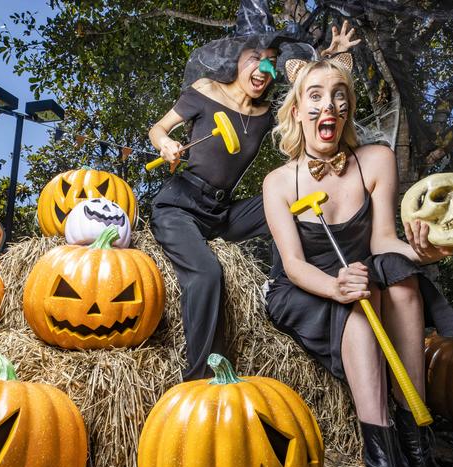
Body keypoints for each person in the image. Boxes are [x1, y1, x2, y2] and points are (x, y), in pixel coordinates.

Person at [262, 53, 453, 467]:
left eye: (340, 97)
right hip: (307, 287)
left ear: (348, 110)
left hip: (362, 270)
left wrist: (429, 254)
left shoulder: (375, 159)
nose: (329, 106)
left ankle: (418, 441)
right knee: (363, 291)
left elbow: (383, 242)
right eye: (315, 96)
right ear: (297, 111)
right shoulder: (278, 182)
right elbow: (295, 266)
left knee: (396, 275)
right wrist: (336, 286)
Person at [149, 0, 360, 381]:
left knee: (290, 203)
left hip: (221, 212)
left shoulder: (266, 113)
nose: (263, 68)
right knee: (207, 273)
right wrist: (166, 144)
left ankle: (285, 287)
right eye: (254, 58)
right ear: (236, 58)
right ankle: (197, 378)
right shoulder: (205, 90)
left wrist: (332, 55)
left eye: (270, 59)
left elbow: (312, 87)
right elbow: (157, 129)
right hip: (180, 205)